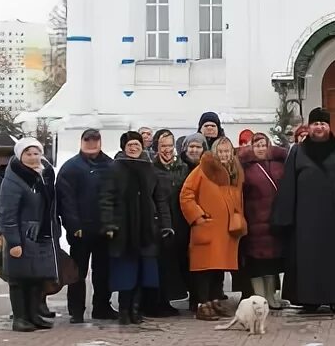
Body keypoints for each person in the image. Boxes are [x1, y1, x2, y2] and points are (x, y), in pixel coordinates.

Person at [271, 108, 335, 314]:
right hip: (305, 218)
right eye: (315, 123)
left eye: (323, 124)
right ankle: (309, 300)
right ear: (309, 126)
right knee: (307, 259)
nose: (319, 127)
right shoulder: (298, 151)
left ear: (328, 126)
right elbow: (289, 183)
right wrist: (285, 216)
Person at [99, 131, 172, 325]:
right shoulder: (114, 168)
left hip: (146, 228)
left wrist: (166, 225)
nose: (134, 147)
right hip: (123, 228)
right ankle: (124, 310)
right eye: (130, 144)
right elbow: (106, 198)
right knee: (126, 270)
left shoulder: (150, 169)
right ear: (124, 147)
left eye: (137, 144)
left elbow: (160, 199)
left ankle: (136, 309)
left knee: (143, 270)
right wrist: (109, 224)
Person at [0, 138, 61, 332]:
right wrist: (14, 241)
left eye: (36, 153)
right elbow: (6, 213)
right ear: (20, 156)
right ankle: (20, 318)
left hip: (41, 234)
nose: (33, 157)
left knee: (36, 277)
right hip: (23, 235)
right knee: (19, 279)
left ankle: (34, 315)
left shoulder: (44, 174)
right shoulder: (14, 179)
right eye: (28, 154)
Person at [56, 128, 118, 323]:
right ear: (81, 142)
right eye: (87, 141)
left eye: (95, 141)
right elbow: (66, 201)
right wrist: (74, 226)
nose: (91, 144)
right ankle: (76, 311)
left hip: (104, 230)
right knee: (77, 273)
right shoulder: (71, 168)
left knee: (103, 272)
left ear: (100, 142)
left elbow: (117, 199)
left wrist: (112, 225)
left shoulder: (111, 166)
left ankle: (102, 307)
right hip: (80, 231)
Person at [180, 136, 245, 321]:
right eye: (221, 151)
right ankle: (202, 304)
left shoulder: (235, 172)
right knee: (204, 268)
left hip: (227, 230)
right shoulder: (202, 170)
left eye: (227, 151)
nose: (224, 154)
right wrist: (197, 216)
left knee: (219, 268)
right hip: (207, 227)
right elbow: (186, 194)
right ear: (215, 152)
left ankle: (215, 300)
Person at [237, 133, 286, 309]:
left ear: (268, 146)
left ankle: (271, 297)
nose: (260, 148)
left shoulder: (279, 164)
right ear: (251, 147)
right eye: (256, 145)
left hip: (273, 221)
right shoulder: (244, 167)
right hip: (254, 220)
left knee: (272, 263)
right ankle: (260, 298)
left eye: (263, 145)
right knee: (256, 263)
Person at [151, 129, 190, 315]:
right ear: (157, 147)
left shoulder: (182, 167)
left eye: (169, 145)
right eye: (163, 146)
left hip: (181, 220)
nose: (167, 150)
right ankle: (161, 301)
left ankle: (179, 298)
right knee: (163, 264)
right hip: (162, 222)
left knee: (178, 262)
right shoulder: (152, 168)